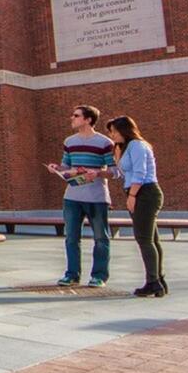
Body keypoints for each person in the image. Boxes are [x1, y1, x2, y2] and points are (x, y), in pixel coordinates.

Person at [46, 104, 115, 287]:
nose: (72, 118)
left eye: (76, 115)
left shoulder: (105, 143)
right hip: (72, 197)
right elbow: (67, 167)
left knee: (101, 238)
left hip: (97, 197)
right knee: (71, 238)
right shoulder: (69, 142)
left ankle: (99, 276)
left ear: (88, 119)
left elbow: (114, 170)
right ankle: (72, 275)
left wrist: (98, 173)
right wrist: (57, 169)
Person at [99, 115, 166, 297]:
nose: (111, 135)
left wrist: (133, 195)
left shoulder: (137, 145)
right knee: (151, 239)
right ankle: (158, 280)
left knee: (144, 239)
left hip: (145, 192)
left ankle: (153, 282)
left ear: (124, 130)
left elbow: (140, 172)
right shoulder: (125, 147)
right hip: (138, 191)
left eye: (113, 131)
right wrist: (117, 156)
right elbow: (121, 173)